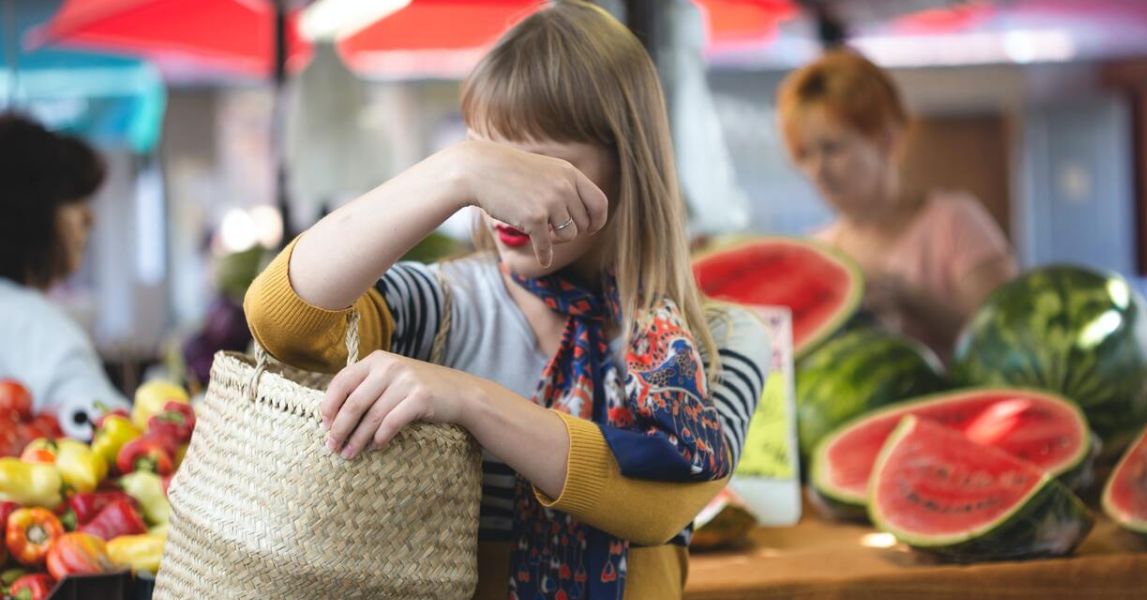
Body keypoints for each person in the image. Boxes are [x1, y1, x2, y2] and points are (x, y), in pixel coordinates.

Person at [244, 2, 770, 599]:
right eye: (494, 164)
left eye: (545, 165)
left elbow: (656, 507)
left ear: (626, 167)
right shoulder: (439, 307)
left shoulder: (720, 342)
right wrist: (453, 172)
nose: (506, 204)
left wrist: (470, 400)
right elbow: (281, 319)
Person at [776, 49, 1017, 357]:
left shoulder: (955, 221)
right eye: (804, 154)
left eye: (832, 148)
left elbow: (1005, 341)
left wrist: (912, 300)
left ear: (886, 139)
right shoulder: (816, 251)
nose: (817, 170)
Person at [0, 113, 128, 439]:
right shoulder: (34, 326)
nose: (89, 219)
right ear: (29, 211)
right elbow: (111, 435)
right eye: (72, 198)